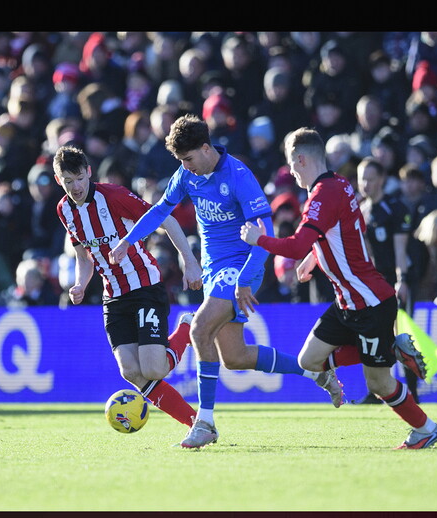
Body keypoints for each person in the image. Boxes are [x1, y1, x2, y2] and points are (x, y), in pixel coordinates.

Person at [108, 114, 344, 449]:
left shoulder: (238, 176)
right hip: (214, 270)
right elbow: (161, 210)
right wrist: (127, 241)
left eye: (188, 159)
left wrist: (246, 279)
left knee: (199, 329)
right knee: (235, 356)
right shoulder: (188, 174)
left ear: (206, 149)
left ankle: (204, 423)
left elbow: (266, 231)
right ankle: (317, 373)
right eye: (181, 162)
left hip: (242, 266)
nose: (185, 167)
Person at [240, 127, 437, 450]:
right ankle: (393, 349)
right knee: (309, 360)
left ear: (301, 159)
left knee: (378, 382)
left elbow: (293, 246)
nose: (291, 172)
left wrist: (258, 239)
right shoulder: (340, 184)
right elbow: (339, 236)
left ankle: (426, 429)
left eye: (292, 165)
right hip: (348, 302)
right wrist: (313, 258)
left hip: (371, 302)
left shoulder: (323, 194)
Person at [52, 144, 203, 433]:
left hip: (144, 286)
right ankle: (196, 424)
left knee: (155, 369)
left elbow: (166, 220)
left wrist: (189, 262)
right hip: (113, 298)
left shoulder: (114, 196)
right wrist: (80, 284)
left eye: (79, 178)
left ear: (89, 172)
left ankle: (185, 328)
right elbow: (84, 255)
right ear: (60, 181)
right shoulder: (65, 210)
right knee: (131, 371)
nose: (76, 186)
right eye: (68, 182)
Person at [351, 157, 423, 404]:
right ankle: (376, 392)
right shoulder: (360, 209)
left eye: (371, 179)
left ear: (381, 179)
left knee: (401, 339)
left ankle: (413, 394)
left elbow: (400, 250)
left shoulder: (395, 209)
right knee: (372, 338)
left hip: (393, 283)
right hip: (371, 286)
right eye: (362, 179)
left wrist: (401, 280)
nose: (366, 184)